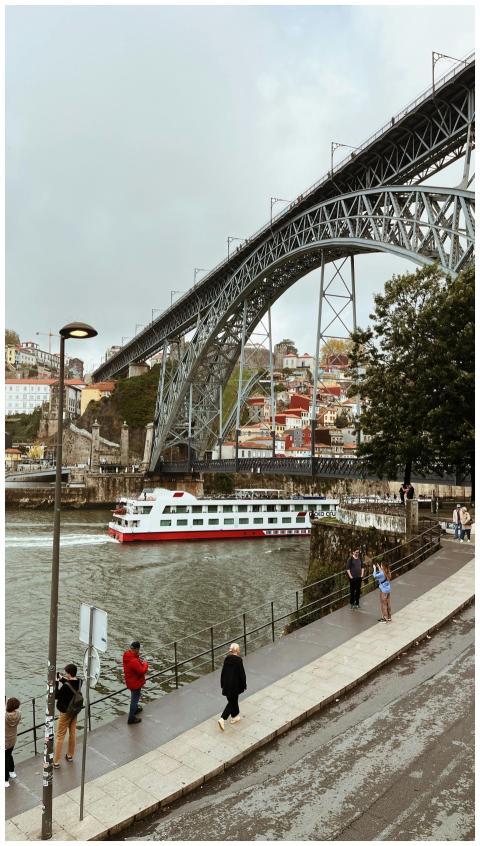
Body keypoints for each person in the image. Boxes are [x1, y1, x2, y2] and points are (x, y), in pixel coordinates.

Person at [53, 664, 82, 768]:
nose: (65, 674)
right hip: (74, 711)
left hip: (65, 713)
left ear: (69, 673)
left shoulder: (66, 686)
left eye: (66, 673)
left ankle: (56, 761)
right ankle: (70, 755)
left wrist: (56, 682)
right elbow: (70, 684)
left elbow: (56, 696)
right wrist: (61, 679)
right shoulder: (79, 681)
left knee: (60, 736)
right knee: (72, 733)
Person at [218, 643, 247, 731]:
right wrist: (244, 684)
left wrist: (222, 684)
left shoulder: (226, 659)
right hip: (235, 686)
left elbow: (223, 673)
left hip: (226, 685)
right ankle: (222, 719)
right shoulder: (238, 660)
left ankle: (235, 716)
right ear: (237, 650)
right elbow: (242, 674)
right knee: (232, 702)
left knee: (233, 701)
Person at [123, 640, 148, 725]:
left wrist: (138, 658)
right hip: (135, 683)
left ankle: (136, 709)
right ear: (137, 649)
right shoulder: (133, 660)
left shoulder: (127, 655)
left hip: (130, 680)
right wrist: (145, 664)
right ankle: (131, 718)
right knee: (135, 699)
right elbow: (141, 671)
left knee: (134, 696)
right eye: (139, 649)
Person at [5, 697, 21, 787]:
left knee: (4, 759)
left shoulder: (4, 716)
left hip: (5, 740)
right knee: (9, 755)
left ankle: (5, 779)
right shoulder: (19, 714)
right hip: (12, 739)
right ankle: (12, 772)